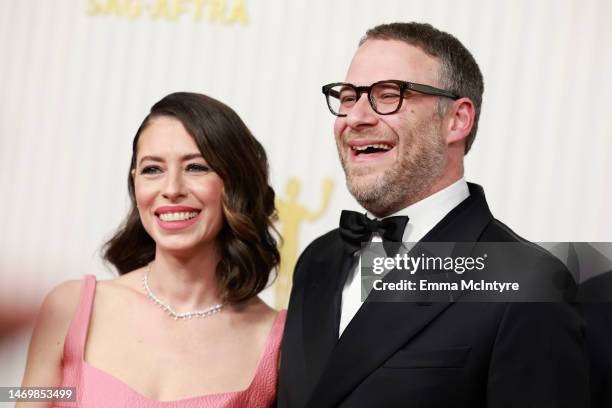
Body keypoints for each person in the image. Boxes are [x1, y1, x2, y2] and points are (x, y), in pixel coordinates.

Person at [278, 22, 588, 407]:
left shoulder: (527, 283)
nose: (355, 118)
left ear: (457, 120)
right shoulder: (319, 260)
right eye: (347, 97)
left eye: (387, 96)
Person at [19, 92, 285, 407]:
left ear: (235, 183)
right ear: (135, 183)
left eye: (196, 167)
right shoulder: (70, 307)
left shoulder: (276, 341)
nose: (171, 189)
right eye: (152, 170)